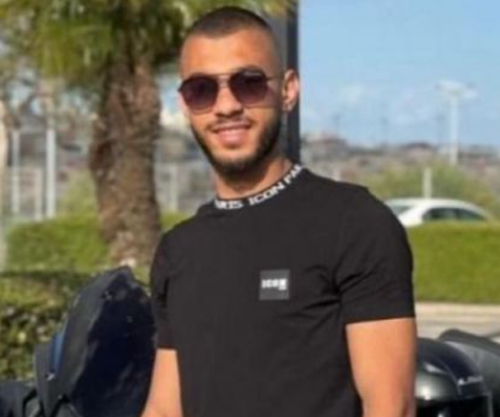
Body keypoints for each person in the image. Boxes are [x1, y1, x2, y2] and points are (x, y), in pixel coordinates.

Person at [142, 6, 416, 417]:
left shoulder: (354, 223)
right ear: (185, 105)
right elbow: (165, 409)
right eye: (202, 89)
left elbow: (391, 406)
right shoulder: (178, 250)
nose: (226, 105)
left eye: (248, 83)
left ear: (287, 90)